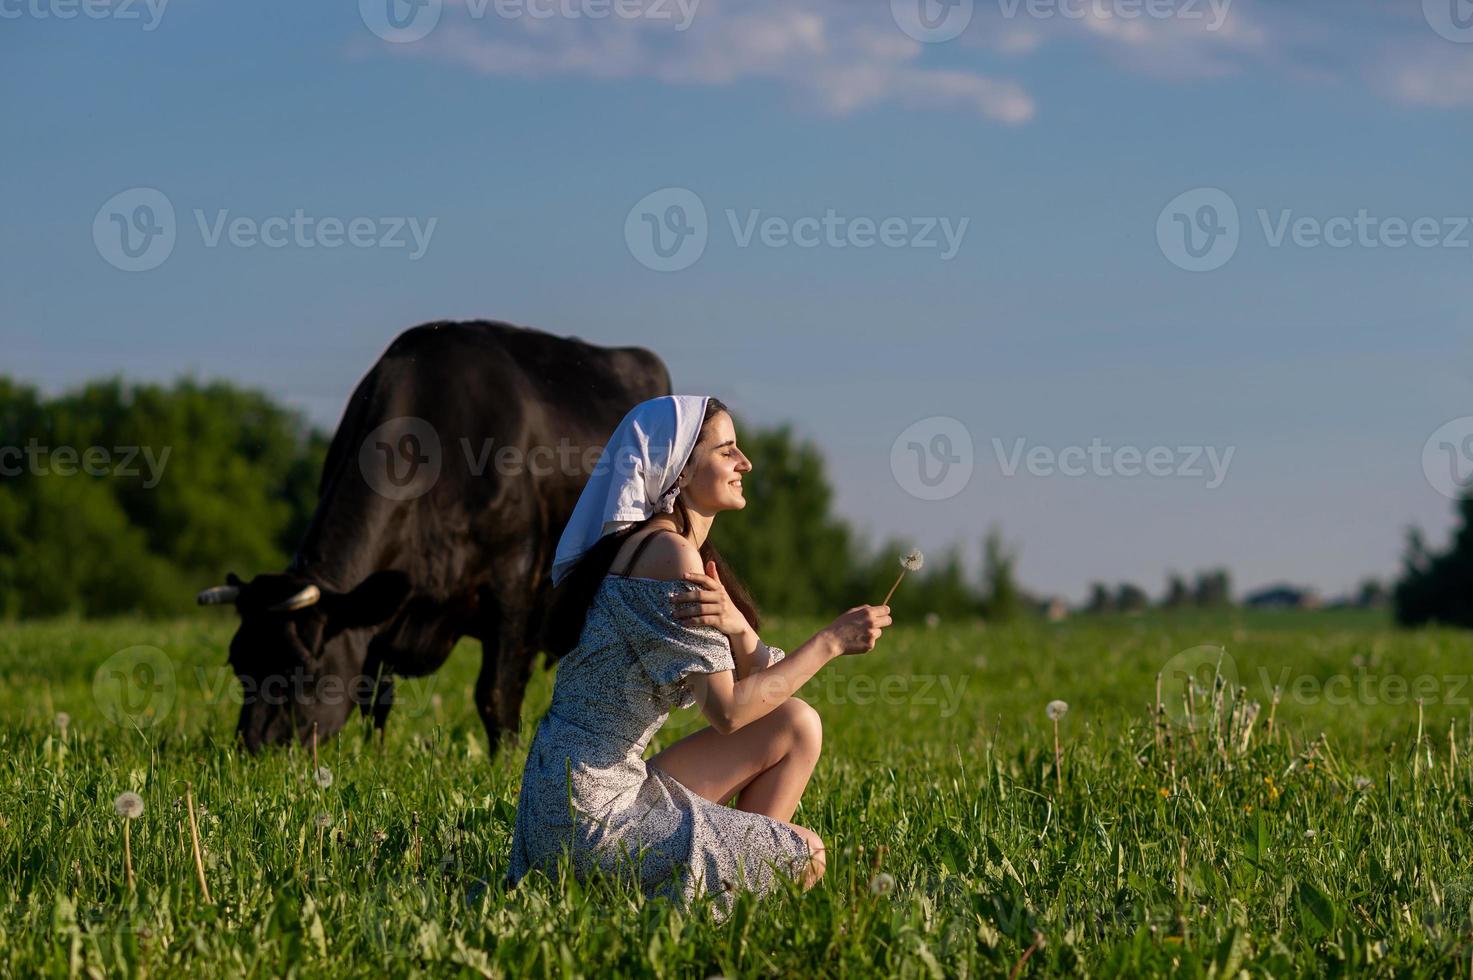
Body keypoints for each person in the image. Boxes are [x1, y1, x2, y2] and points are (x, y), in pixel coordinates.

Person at [505, 394, 891, 919]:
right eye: (727, 450)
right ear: (679, 472)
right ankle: (719, 908)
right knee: (807, 853)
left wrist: (735, 626)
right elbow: (729, 712)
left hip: (575, 792)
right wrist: (830, 642)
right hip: (586, 820)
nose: (745, 463)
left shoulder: (657, 548)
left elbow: (765, 691)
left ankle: (736, 890)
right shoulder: (668, 556)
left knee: (796, 724)